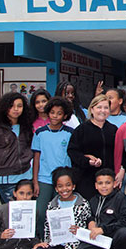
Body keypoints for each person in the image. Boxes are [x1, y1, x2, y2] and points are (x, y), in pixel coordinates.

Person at [72, 168, 126, 249]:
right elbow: (88, 216)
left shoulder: (122, 199)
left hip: (113, 236)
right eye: (100, 183)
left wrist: (103, 229)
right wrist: (90, 222)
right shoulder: (93, 200)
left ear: (115, 184)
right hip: (97, 238)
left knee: (125, 233)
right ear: (96, 185)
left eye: (108, 183)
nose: (104, 186)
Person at [31, 167, 91, 249]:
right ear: (56, 188)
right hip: (55, 243)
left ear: (73, 186)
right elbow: (47, 227)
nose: (64, 189)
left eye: (68, 185)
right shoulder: (52, 205)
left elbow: (88, 227)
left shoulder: (83, 204)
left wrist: (79, 231)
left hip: (71, 247)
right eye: (60, 186)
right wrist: (45, 242)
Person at [31, 96, 74, 239]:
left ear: (65, 115)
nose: (55, 116)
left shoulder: (69, 133)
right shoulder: (40, 132)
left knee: (60, 212)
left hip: (63, 180)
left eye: (59, 113)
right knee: (41, 212)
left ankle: (60, 240)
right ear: (48, 113)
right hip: (44, 179)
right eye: (52, 112)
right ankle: (40, 239)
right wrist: (35, 181)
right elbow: (36, 158)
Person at [67, 94, 120, 201]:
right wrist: (87, 161)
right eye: (99, 107)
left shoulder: (113, 130)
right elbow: (72, 151)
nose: (102, 110)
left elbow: (120, 152)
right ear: (92, 109)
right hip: (86, 178)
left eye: (106, 108)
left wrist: (121, 170)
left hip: (108, 178)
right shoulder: (81, 129)